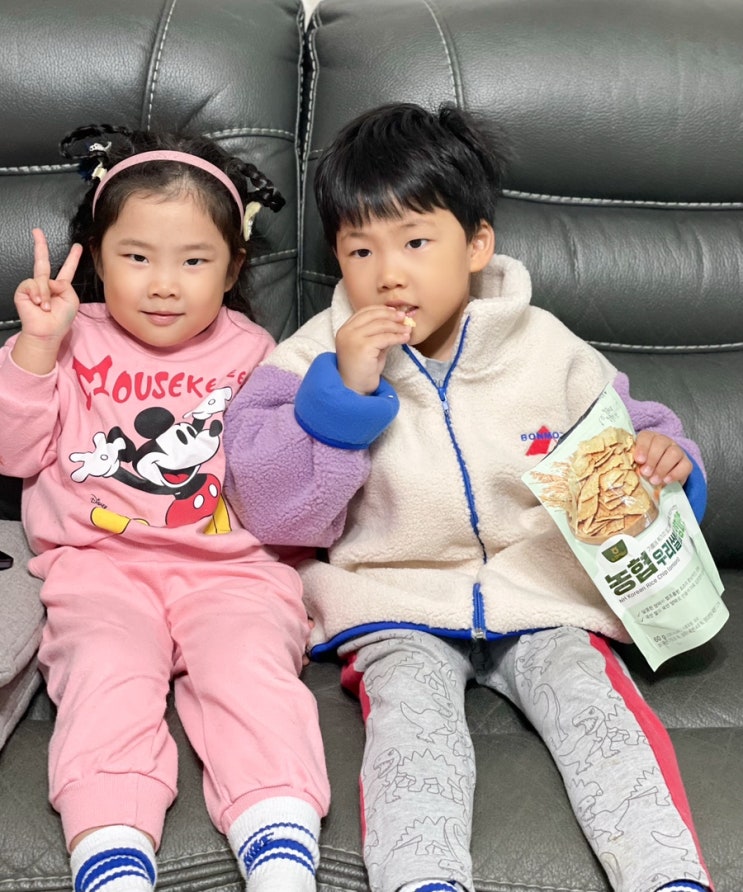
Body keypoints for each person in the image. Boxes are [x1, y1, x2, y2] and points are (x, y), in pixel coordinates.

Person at [222, 102, 713, 892]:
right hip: (394, 603)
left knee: (596, 716)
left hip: (545, 595)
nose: (388, 273)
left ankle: (667, 878)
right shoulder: (308, 359)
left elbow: (636, 431)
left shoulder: (546, 346)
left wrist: (669, 462)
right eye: (360, 250)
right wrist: (341, 397)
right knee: (412, 737)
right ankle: (422, 879)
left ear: (476, 245)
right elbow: (270, 506)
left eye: (416, 242)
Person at [0, 125, 329, 892]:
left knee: (251, 673)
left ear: (234, 266)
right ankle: (113, 852)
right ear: (96, 256)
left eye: (194, 261)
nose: (163, 285)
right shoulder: (64, 338)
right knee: (105, 673)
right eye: (137, 257)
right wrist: (35, 350)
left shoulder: (256, 353)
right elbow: (12, 454)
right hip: (100, 569)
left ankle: (280, 849)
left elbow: (279, 479)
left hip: (233, 572)